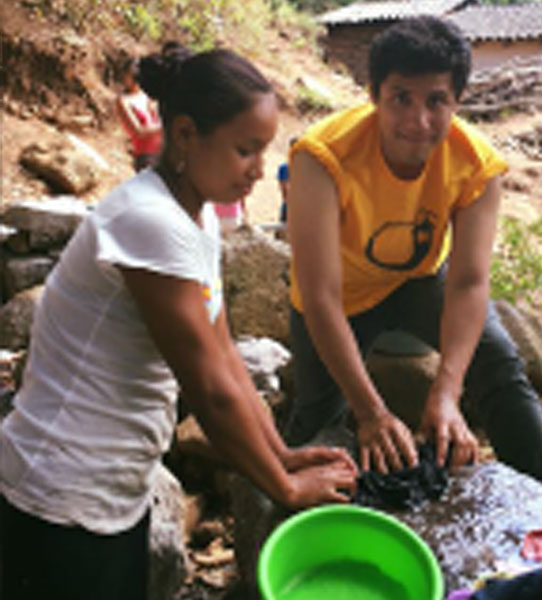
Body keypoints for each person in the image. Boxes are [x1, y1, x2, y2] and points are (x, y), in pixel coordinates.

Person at [0, 44, 356, 600]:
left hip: (112, 487)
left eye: (264, 152)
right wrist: (284, 487)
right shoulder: (148, 222)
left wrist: (281, 453)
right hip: (61, 493)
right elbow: (209, 390)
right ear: (186, 134)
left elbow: (227, 358)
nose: (259, 171)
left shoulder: (195, 218)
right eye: (245, 150)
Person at [283, 16, 542, 547]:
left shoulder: (475, 165)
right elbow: (320, 294)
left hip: (419, 282)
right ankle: (288, 531)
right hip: (340, 296)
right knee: (319, 419)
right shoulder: (322, 157)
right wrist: (371, 411)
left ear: (458, 101)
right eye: (400, 98)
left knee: (499, 365)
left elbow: (469, 283)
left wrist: (446, 392)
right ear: (373, 94)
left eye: (436, 101)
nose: (418, 120)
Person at [116, 56, 163, 171]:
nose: (134, 78)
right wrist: (165, 125)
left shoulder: (148, 94)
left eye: (137, 74)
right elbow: (138, 131)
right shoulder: (123, 101)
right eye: (130, 74)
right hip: (146, 157)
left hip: (164, 153)